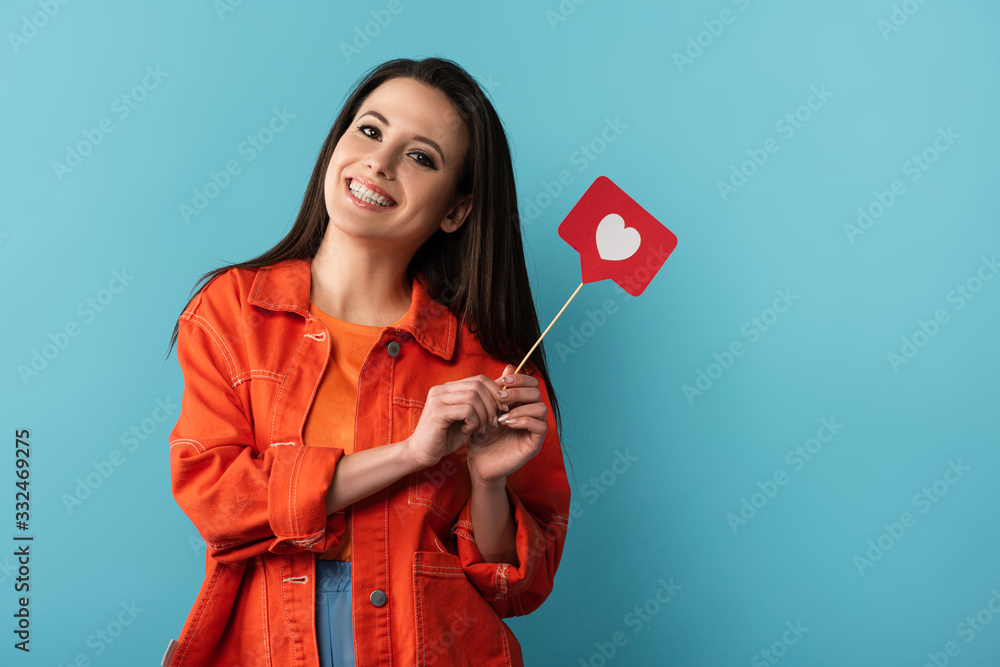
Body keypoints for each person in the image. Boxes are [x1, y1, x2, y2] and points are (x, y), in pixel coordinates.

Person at [161, 57, 572, 667]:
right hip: (265, 643)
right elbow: (218, 501)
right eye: (371, 131)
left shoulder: (492, 368)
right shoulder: (232, 312)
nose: (380, 163)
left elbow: (517, 588)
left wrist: (489, 482)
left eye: (421, 156)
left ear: (456, 211)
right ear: (337, 146)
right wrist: (411, 454)